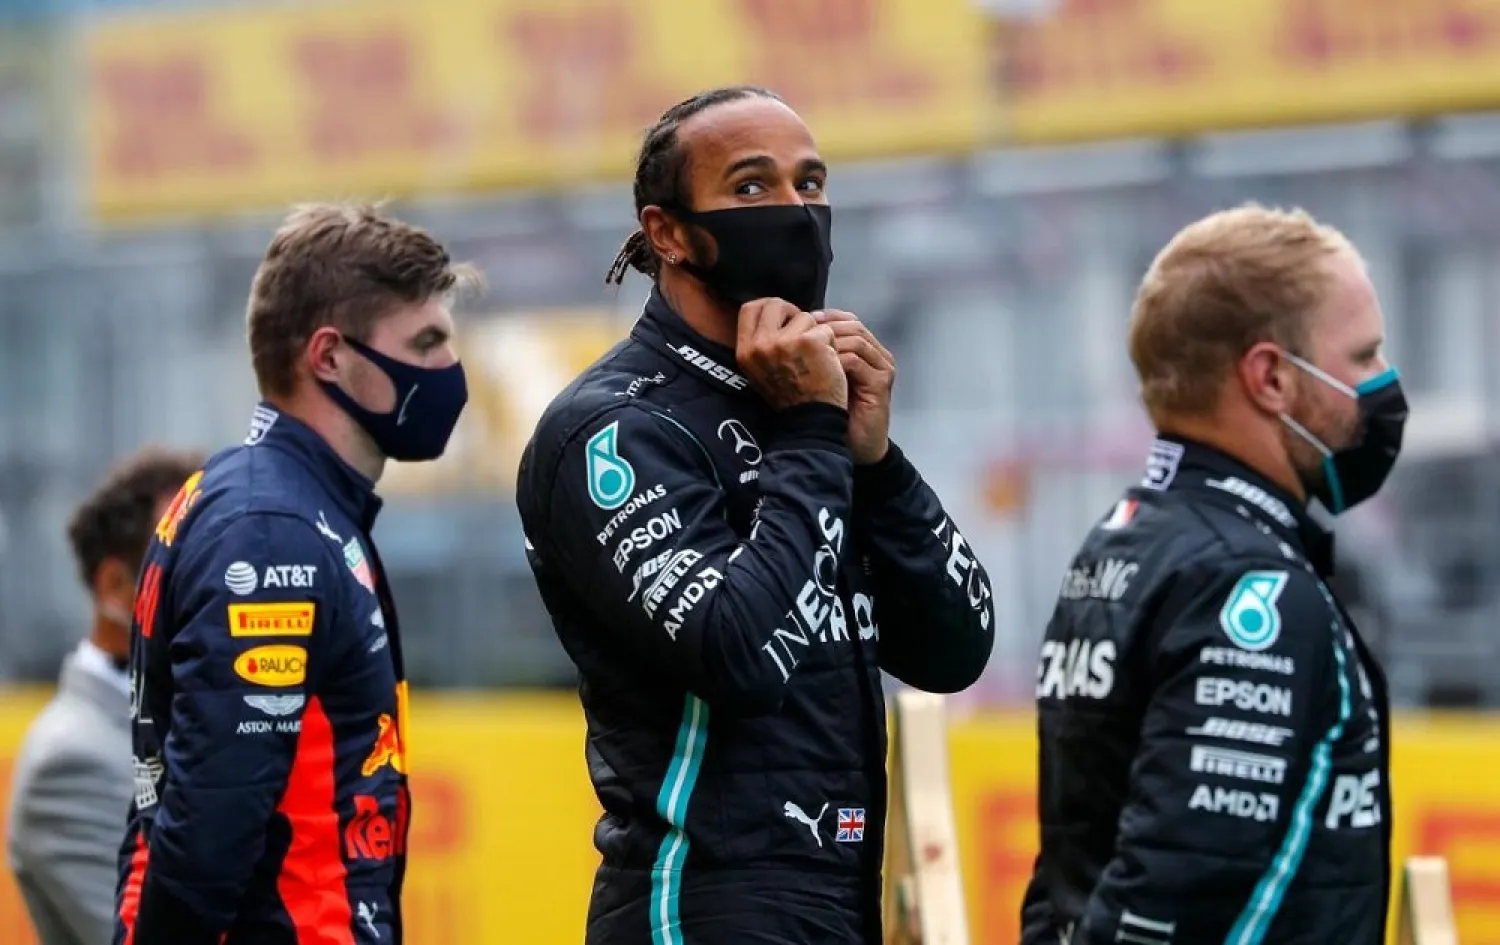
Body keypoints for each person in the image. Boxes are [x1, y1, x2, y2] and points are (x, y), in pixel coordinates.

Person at [516, 85, 996, 945]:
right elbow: (738, 655)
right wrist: (812, 433)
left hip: (837, 893)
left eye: (811, 184)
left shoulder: (803, 407)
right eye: (750, 188)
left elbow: (955, 647)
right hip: (697, 900)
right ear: (667, 232)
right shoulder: (614, 428)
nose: (795, 211)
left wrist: (875, 464)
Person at [1021, 204, 1405, 945]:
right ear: (1270, 377)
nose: (1382, 384)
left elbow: (1063, 881)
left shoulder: (1123, 540)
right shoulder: (1245, 582)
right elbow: (1181, 894)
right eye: (1363, 356)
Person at [113, 203, 477, 945]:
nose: (450, 370)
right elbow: (212, 816)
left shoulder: (282, 504)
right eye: (427, 342)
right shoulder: (272, 528)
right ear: (329, 356)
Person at [7, 448, 202, 945]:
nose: (222, 586)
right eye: (191, 561)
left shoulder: (205, 716)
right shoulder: (71, 760)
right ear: (116, 586)